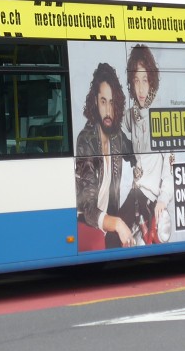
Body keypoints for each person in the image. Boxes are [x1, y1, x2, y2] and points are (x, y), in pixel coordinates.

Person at [75, 62, 134, 249]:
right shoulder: (86, 141)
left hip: (108, 225)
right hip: (88, 226)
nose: (108, 111)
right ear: (95, 102)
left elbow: (138, 154)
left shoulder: (117, 137)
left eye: (112, 103)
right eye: (103, 101)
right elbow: (88, 209)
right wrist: (117, 224)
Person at [122, 45, 174, 244]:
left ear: (152, 81)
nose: (141, 89)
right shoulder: (131, 115)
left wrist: (162, 200)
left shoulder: (161, 117)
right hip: (133, 195)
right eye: (136, 81)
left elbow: (169, 176)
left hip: (149, 200)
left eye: (145, 80)